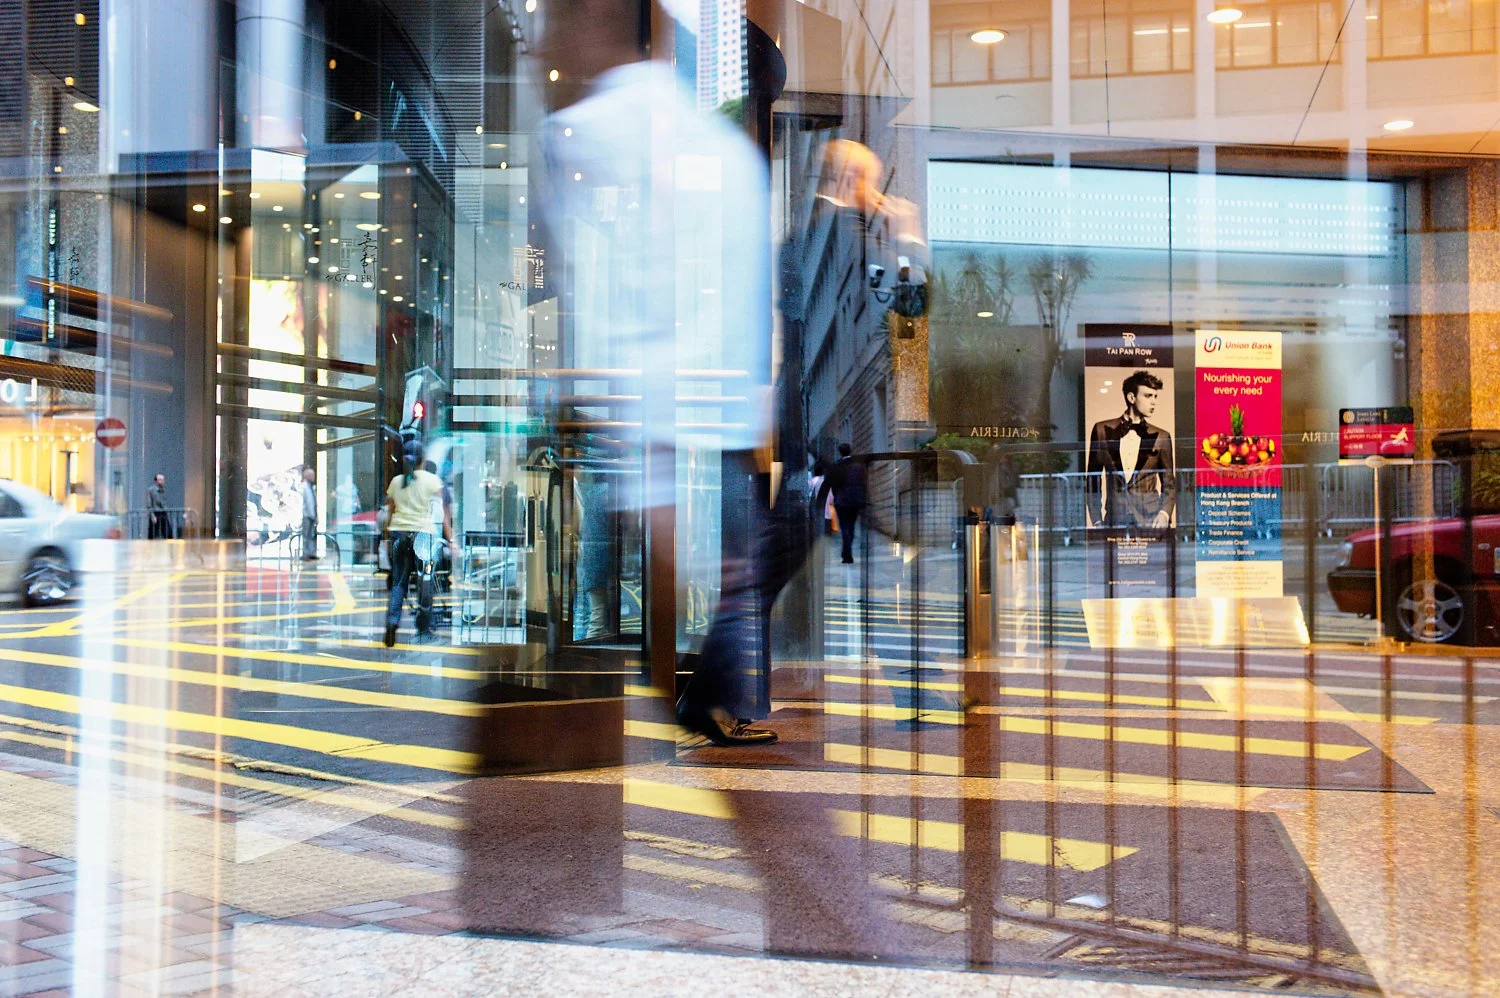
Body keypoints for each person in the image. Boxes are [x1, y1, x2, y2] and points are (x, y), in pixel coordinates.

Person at [534, 0, 775, 746]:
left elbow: (601, 307)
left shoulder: (577, 137)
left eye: (548, 19)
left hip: (641, 441)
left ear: (591, 20)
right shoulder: (726, 153)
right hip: (716, 441)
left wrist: (652, 480)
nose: (538, 43)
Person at [1085, 370, 1176, 529]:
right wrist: (1097, 520)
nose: (1153, 402)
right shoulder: (1101, 431)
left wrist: (1164, 514)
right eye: (1148, 396)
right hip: (1114, 520)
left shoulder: (1162, 437)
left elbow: (1169, 484)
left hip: (1151, 521)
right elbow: (1093, 480)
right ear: (1131, 397)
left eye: (1155, 397)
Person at [383, 443, 452, 647]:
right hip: (424, 538)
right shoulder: (432, 480)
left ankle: (391, 624)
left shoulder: (397, 481)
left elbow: (390, 512)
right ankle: (423, 629)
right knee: (425, 581)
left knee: (398, 583)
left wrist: (389, 537)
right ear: (423, 459)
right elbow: (441, 514)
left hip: (399, 535)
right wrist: (451, 540)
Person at [826, 443, 867, 563]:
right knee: (851, 526)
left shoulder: (837, 466)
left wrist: (836, 496)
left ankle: (847, 555)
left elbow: (834, 484)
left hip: (842, 500)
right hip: (855, 500)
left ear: (840, 452)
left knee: (845, 527)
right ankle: (846, 552)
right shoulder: (858, 466)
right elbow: (862, 483)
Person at [298, 466, 318, 561]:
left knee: (311, 535)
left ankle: (311, 553)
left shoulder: (311, 487)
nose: (313, 477)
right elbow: (306, 502)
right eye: (311, 475)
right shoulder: (304, 487)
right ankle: (306, 553)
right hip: (306, 515)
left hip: (311, 514)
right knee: (306, 535)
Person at [146, 473, 171, 539]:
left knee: (168, 533)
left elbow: (164, 503)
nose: (162, 481)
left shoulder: (163, 490)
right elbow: (149, 504)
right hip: (155, 513)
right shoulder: (151, 490)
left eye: (163, 480)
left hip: (163, 513)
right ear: (156, 481)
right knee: (153, 534)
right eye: (160, 479)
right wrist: (152, 515)